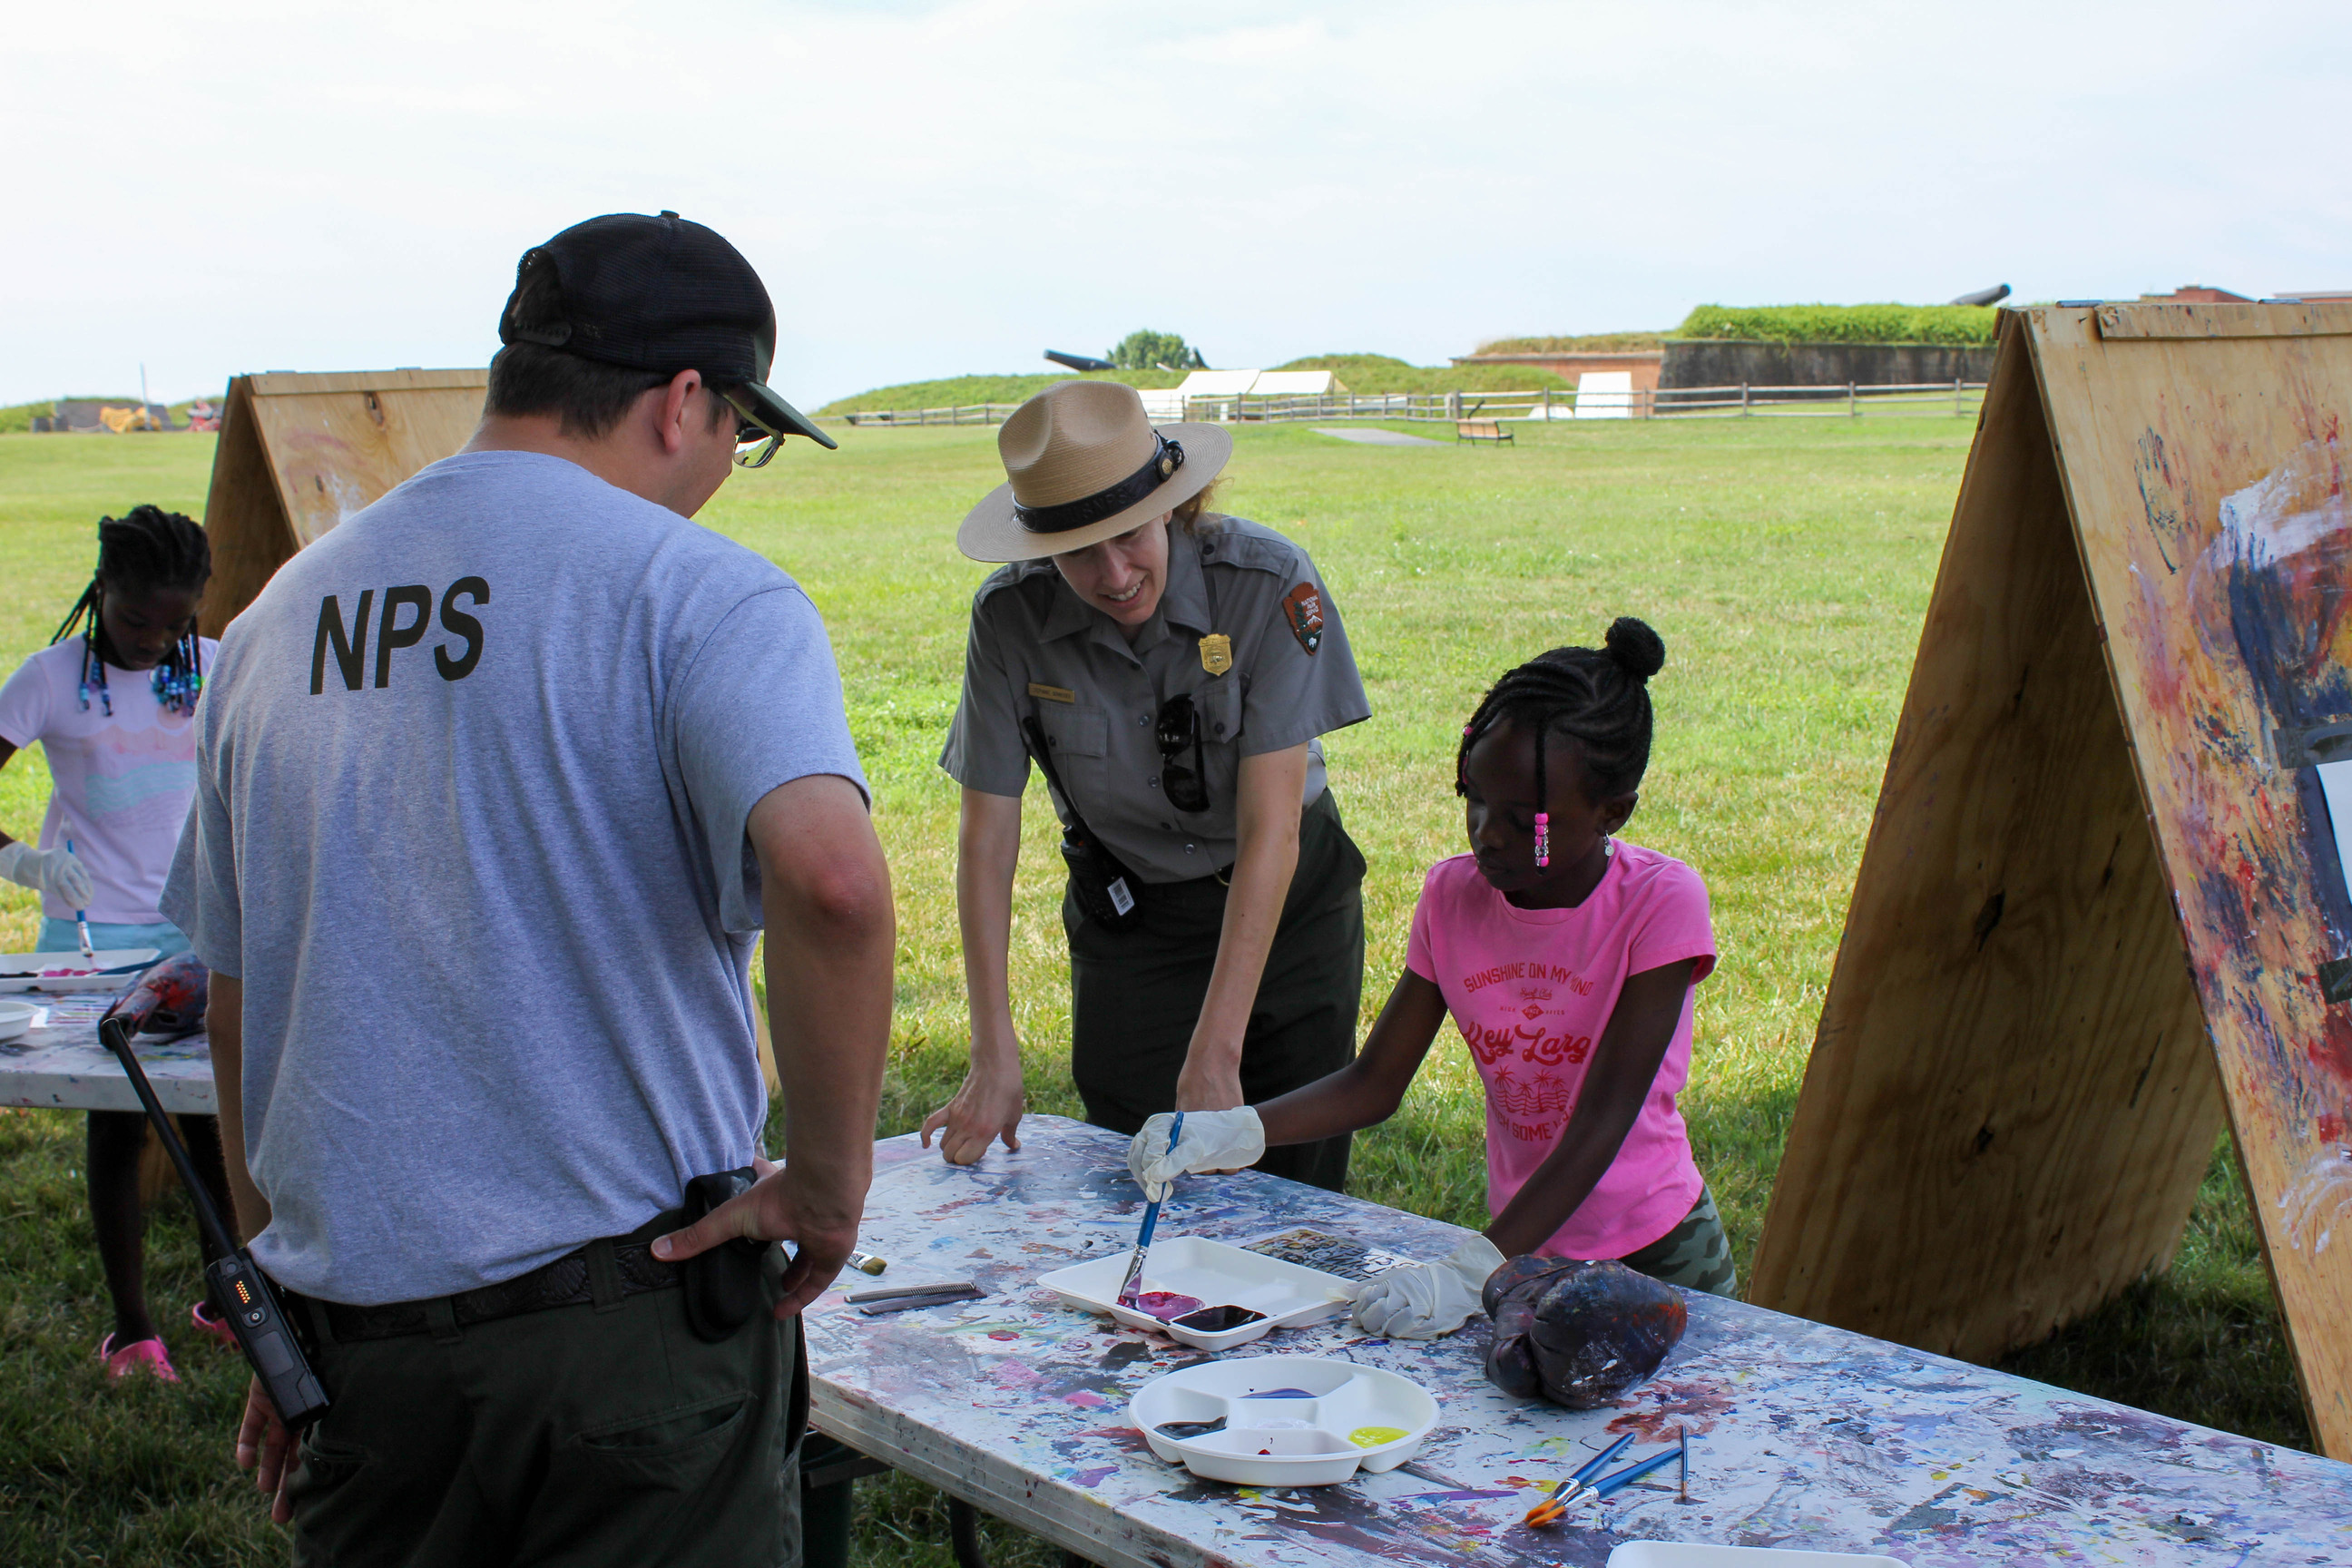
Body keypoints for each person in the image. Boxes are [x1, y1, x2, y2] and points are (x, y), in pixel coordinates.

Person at [162, 211, 895, 1567]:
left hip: (362, 1352)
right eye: (744, 432)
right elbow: (836, 882)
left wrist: (275, 1301)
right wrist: (831, 1186)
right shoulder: (699, 595)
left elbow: (235, 1000)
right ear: (683, 402)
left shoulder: (268, 628)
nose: (729, 468)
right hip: (634, 1333)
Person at [1130, 621, 1737, 1338]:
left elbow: (1602, 1124)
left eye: (1526, 821)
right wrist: (1234, 1131)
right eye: (1474, 799)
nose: (1488, 833)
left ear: (1614, 811)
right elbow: (1375, 1082)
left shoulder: (1658, 903)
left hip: (1657, 1250)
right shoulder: (1454, 897)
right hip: (1529, 1247)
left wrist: (1470, 1272)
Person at [923, 380, 1372, 1190]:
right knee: (1132, 1177)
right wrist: (992, 1052)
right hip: (1134, 919)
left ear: (1171, 506)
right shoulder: (1009, 620)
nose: (1115, 574)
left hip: (1286, 908)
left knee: (1293, 1189)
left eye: (1129, 534)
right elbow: (986, 839)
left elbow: (1272, 829)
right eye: (1077, 552)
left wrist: (1216, 1050)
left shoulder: (1266, 583)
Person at [0, 505, 238, 1382]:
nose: (153, 641)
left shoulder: (215, 667)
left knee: (215, 1115)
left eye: (175, 624)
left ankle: (227, 1296)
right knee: (118, 1121)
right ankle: (132, 1328)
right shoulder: (50, 679)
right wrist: (24, 862)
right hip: (96, 935)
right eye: (136, 620)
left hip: (196, 923)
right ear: (102, 590)